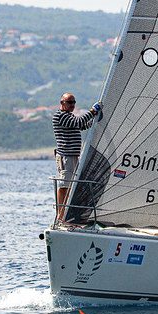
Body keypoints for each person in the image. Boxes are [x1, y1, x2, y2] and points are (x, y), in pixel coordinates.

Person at [52, 92, 102, 223]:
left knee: (70, 185)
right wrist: (93, 111)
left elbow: (81, 125)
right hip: (66, 156)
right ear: (62, 103)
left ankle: (66, 214)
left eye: (74, 102)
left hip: (73, 156)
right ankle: (60, 215)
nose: (72, 105)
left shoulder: (69, 116)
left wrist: (95, 121)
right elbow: (78, 122)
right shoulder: (60, 116)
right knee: (64, 185)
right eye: (69, 102)